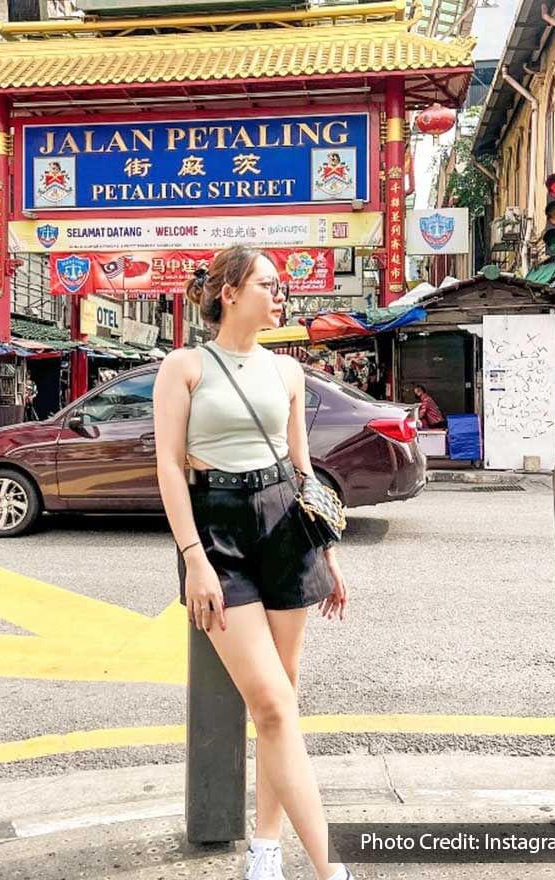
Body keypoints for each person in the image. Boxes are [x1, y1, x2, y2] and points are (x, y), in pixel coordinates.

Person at [153, 245, 353, 880]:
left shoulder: (288, 372)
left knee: (282, 705)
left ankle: (265, 848)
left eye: (280, 285)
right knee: (271, 706)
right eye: (267, 284)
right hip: (217, 529)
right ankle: (331, 869)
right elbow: (167, 467)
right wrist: (194, 558)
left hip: (285, 526)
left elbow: (301, 470)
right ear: (231, 291)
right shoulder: (183, 367)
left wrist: (324, 550)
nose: (279, 294)